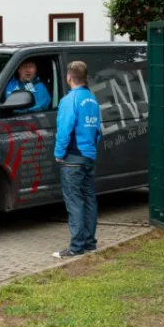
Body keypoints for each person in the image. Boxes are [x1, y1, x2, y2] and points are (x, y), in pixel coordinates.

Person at [53, 61, 102, 258]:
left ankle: (76, 246)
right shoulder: (92, 99)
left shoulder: (69, 100)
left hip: (72, 157)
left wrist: (59, 153)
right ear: (85, 77)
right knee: (89, 199)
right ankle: (90, 243)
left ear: (68, 77)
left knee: (74, 202)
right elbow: (98, 130)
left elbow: (64, 129)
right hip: (89, 155)